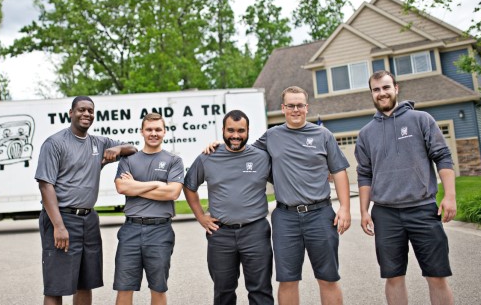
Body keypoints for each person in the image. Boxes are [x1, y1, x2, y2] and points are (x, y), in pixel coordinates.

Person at [356, 70, 456, 305]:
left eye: (386, 87)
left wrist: (449, 195)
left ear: (396, 88)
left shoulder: (421, 120)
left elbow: (442, 156)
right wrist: (363, 211)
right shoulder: (365, 134)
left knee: (436, 276)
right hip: (386, 214)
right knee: (393, 277)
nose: (382, 93)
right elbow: (364, 175)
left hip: (422, 209)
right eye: (376, 89)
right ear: (371, 93)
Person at [35, 96, 137, 305]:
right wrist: (58, 226)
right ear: (71, 113)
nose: (86, 114)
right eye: (81, 110)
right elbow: (46, 186)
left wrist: (117, 149)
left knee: (85, 283)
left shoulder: (99, 143)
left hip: (88, 220)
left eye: (90, 111)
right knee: (57, 285)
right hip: (62, 218)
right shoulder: (55, 143)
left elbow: (133, 148)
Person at [254, 86, 351, 305]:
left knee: (328, 277)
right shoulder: (272, 136)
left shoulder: (323, 135)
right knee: (287, 280)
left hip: (320, 215)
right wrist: (219, 146)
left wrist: (344, 208)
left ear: (306, 108)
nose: (295, 110)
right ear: (283, 108)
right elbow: (242, 154)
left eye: (300, 105)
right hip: (285, 217)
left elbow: (338, 171)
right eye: (291, 105)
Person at [185, 110, 274, 305]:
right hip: (221, 235)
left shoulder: (262, 157)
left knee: (261, 291)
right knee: (223, 292)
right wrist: (201, 216)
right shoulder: (208, 157)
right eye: (230, 130)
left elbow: (286, 177)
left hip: (255, 231)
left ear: (248, 131)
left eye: (241, 130)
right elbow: (189, 186)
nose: (235, 135)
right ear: (223, 130)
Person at [113, 112, 184, 305]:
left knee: (158, 288)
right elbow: (121, 187)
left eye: (158, 129)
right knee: (124, 288)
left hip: (160, 231)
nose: (154, 133)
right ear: (142, 132)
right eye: (149, 129)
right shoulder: (128, 159)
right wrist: (157, 184)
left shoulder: (173, 160)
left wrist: (135, 186)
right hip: (131, 230)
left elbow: (172, 193)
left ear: (164, 132)